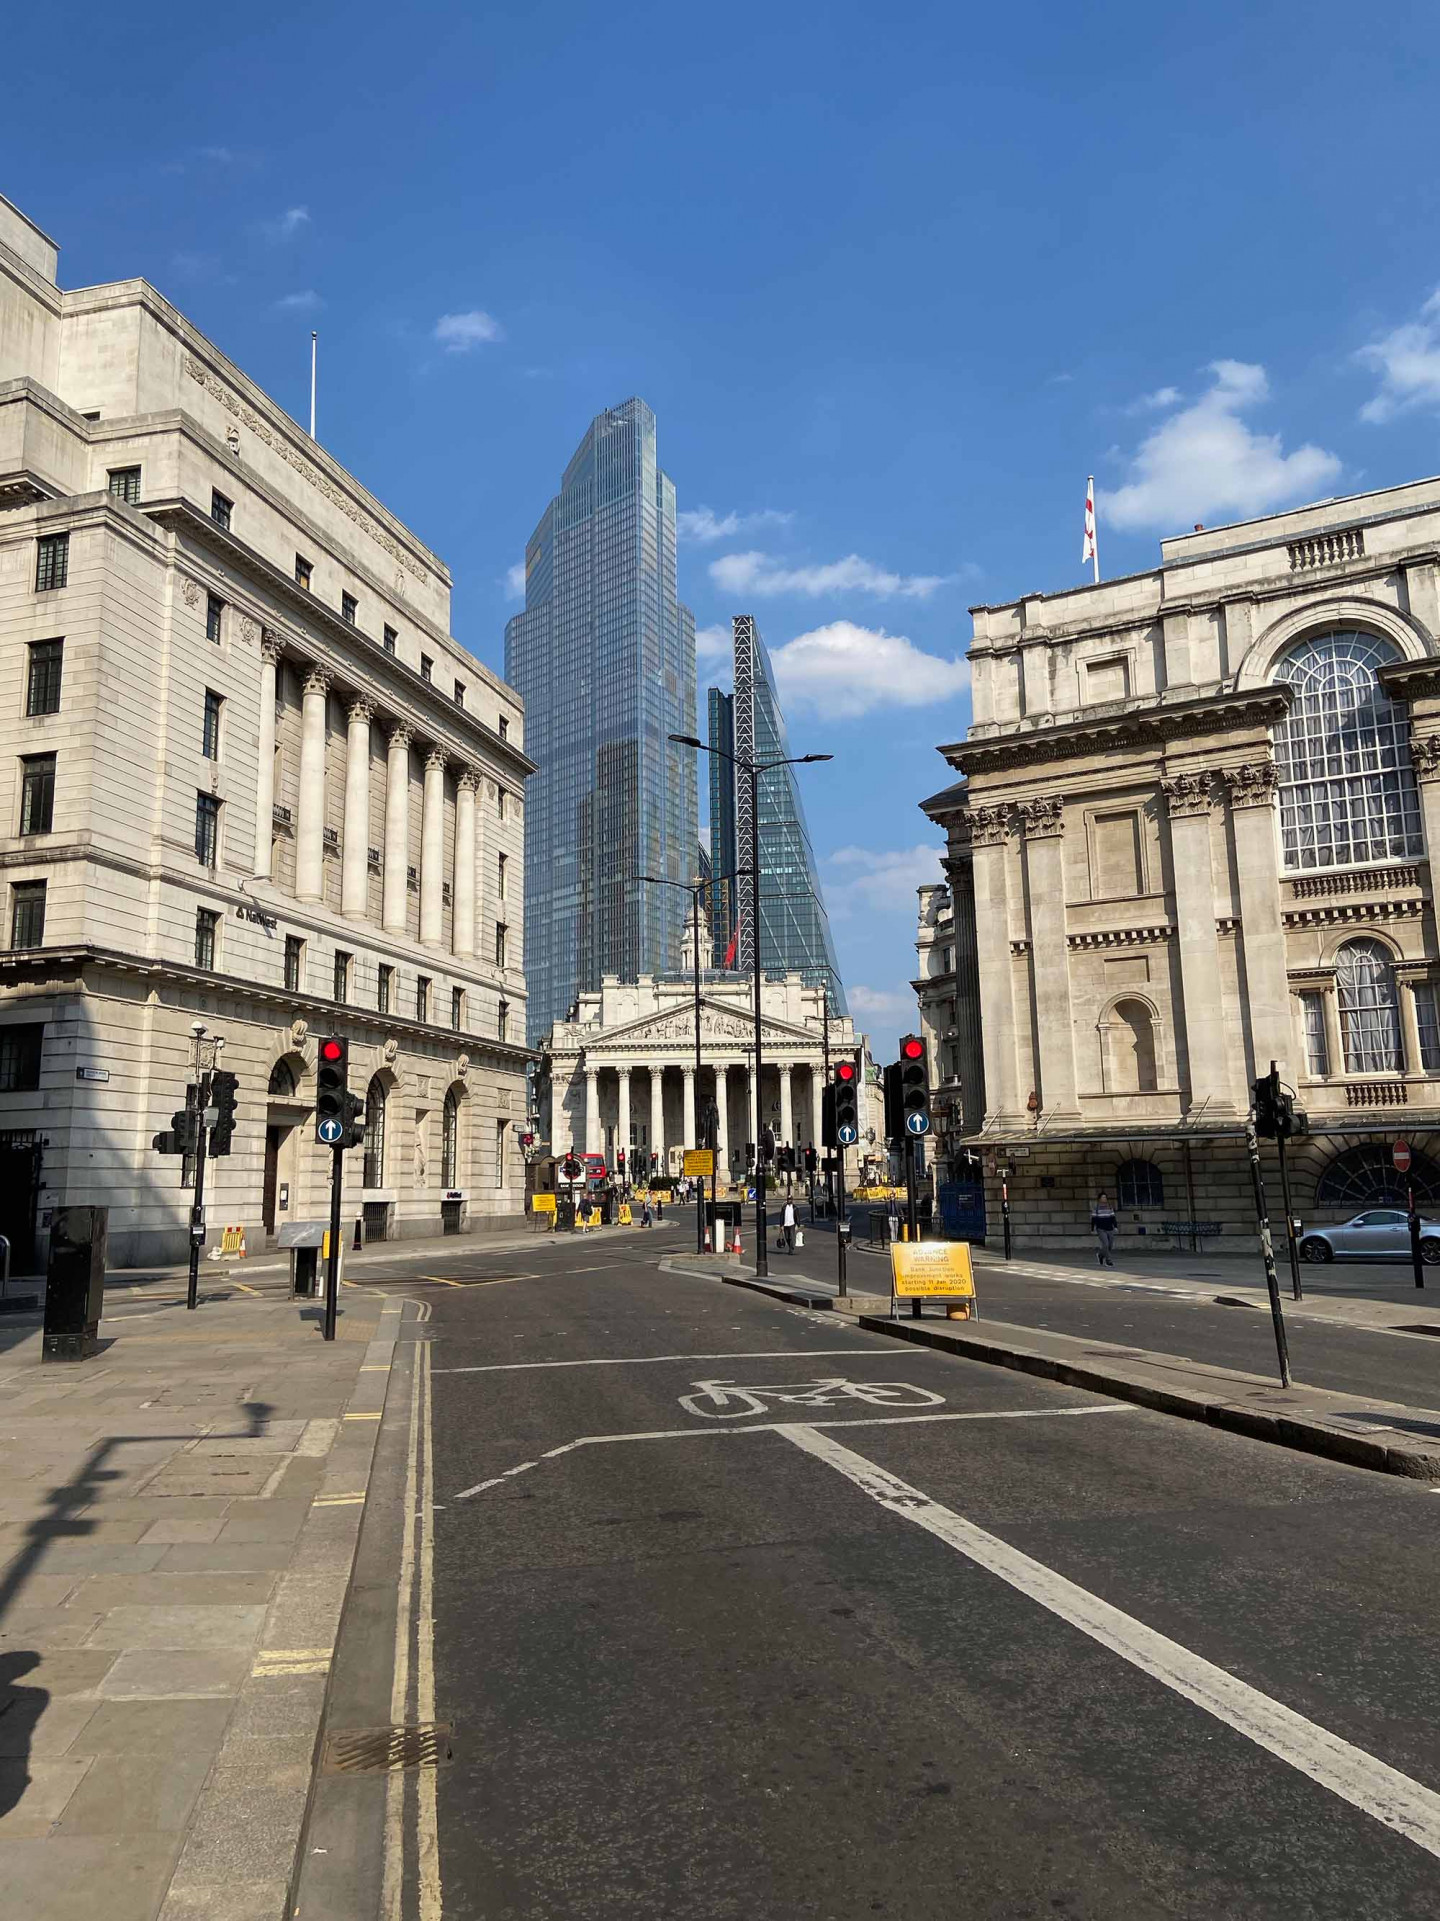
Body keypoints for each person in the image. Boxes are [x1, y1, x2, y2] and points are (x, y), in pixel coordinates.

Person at [1091, 1191, 1118, 1267]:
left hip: (1110, 1228)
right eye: (1102, 1197)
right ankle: (1108, 1260)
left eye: (1105, 1197)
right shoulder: (1096, 1208)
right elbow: (1093, 1219)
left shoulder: (1109, 1206)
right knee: (1105, 1244)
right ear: (1099, 1199)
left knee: (1110, 1245)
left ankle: (1100, 1255)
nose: (1104, 1199)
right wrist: (1092, 1228)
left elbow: (1113, 1217)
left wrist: (1115, 1226)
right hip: (1101, 1228)